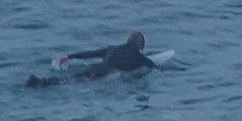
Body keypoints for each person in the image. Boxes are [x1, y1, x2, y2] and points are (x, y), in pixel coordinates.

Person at [27, 31, 155, 87]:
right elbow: (154, 66)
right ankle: (44, 83)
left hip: (94, 67)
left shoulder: (112, 48)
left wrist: (68, 56)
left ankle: (42, 81)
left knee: (71, 78)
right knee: (72, 81)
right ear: (141, 46)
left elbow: (89, 54)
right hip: (103, 74)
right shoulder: (139, 58)